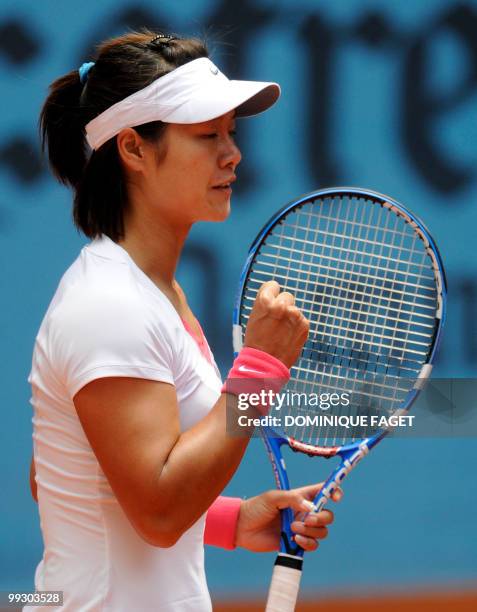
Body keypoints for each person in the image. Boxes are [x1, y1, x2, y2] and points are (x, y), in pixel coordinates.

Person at [29, 30, 341, 611]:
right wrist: (259, 372)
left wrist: (228, 520)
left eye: (231, 133)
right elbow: (158, 510)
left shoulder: (148, 291)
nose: (233, 154)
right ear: (133, 149)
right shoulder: (110, 306)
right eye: (206, 136)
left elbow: (59, 477)